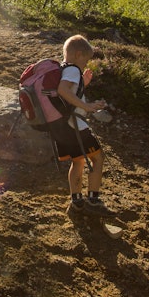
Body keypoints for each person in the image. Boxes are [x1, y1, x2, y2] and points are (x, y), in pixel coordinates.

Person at [50, 34, 114, 217]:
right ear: (78, 54)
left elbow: (68, 92)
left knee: (77, 161)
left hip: (65, 128)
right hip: (76, 127)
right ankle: (93, 201)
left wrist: (83, 84)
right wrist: (86, 106)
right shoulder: (72, 70)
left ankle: (77, 202)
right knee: (98, 158)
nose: (85, 65)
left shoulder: (64, 68)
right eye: (85, 61)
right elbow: (63, 90)